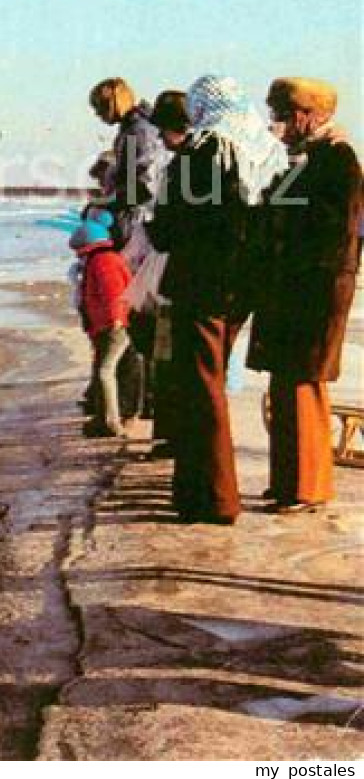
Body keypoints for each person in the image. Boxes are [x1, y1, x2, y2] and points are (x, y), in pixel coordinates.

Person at [146, 75, 287, 525]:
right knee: (210, 381)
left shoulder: (202, 152)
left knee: (200, 387)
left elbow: (167, 228)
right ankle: (195, 493)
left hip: (199, 283)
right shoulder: (267, 151)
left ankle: (214, 497)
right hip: (242, 285)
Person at [248, 77, 363, 514]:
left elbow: (333, 230)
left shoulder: (337, 159)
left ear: (306, 115)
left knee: (303, 382)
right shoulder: (307, 157)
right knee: (287, 380)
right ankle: (288, 482)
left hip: (314, 287)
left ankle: (307, 487)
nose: (276, 122)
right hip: (295, 285)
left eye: (282, 113)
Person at [140, 90, 191, 459]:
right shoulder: (195, 160)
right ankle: (172, 435)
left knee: (172, 360)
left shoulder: (186, 165)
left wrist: (152, 227)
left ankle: (173, 437)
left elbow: (169, 227)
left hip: (181, 276)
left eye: (163, 130)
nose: (159, 138)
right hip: (182, 274)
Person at [72, 217, 132, 437]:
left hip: (111, 325)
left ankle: (111, 422)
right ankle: (103, 418)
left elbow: (114, 294)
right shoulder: (105, 258)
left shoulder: (102, 262)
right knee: (102, 371)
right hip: (106, 324)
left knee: (106, 372)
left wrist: (116, 320)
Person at [88, 77, 162, 242]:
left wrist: (106, 203)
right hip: (134, 218)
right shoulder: (132, 129)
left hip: (139, 222)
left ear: (113, 103)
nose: (97, 113)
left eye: (99, 106)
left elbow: (144, 185)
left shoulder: (138, 131)